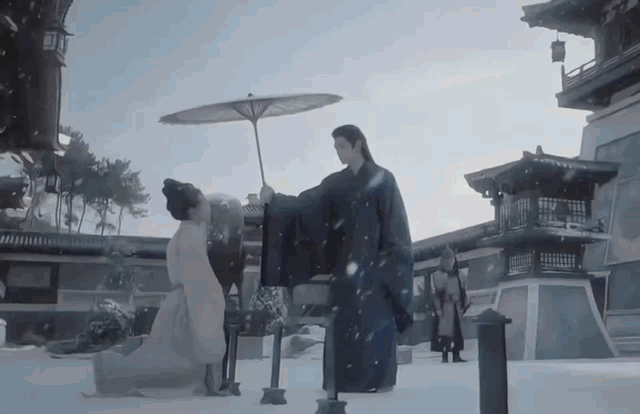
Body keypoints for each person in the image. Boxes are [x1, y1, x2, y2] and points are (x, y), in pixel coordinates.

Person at [260, 124, 414, 394]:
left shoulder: (383, 179)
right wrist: (275, 200)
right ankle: (344, 381)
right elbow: (306, 205)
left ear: (358, 144)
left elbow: (396, 227)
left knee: (375, 324)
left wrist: (393, 267)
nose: (339, 152)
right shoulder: (336, 183)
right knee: (345, 326)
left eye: (342, 146)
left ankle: (379, 381)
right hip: (345, 269)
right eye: (336, 147)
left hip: (378, 271)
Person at [89, 178, 227, 397]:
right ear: (193, 209)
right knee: (183, 367)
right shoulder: (190, 235)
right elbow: (199, 280)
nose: (208, 208)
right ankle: (113, 371)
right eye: (204, 203)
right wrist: (214, 301)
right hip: (187, 306)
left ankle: (115, 369)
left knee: (172, 358)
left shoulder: (186, 233)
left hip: (177, 304)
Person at [431, 245, 469, 363]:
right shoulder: (438, 275)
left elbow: (463, 290)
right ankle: (445, 356)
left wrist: (464, 303)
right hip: (446, 307)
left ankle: (456, 355)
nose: (450, 262)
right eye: (447, 259)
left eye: (451, 259)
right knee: (445, 333)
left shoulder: (460, 275)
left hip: (456, 307)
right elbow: (437, 294)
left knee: (457, 332)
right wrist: (438, 308)